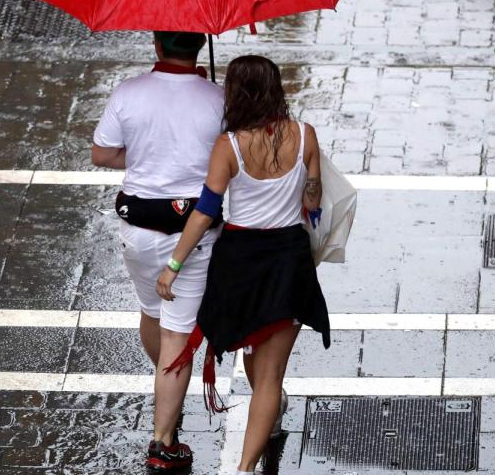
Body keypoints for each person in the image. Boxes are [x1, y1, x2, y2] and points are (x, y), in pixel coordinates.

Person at [157, 55, 330, 475]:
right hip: (288, 259)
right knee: (269, 374)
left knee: (253, 351)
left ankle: (250, 456)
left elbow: (205, 211)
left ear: (235, 93)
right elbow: (312, 204)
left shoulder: (228, 146)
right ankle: (246, 468)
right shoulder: (305, 135)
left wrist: (174, 264)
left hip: (240, 261)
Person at [91, 31, 224, 473]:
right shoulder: (217, 98)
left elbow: (102, 154)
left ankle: (169, 385)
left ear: (157, 45)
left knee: (152, 314)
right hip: (192, 234)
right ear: (201, 46)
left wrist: (149, 157)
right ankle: (163, 442)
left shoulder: (128, 92)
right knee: (177, 337)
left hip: (137, 230)